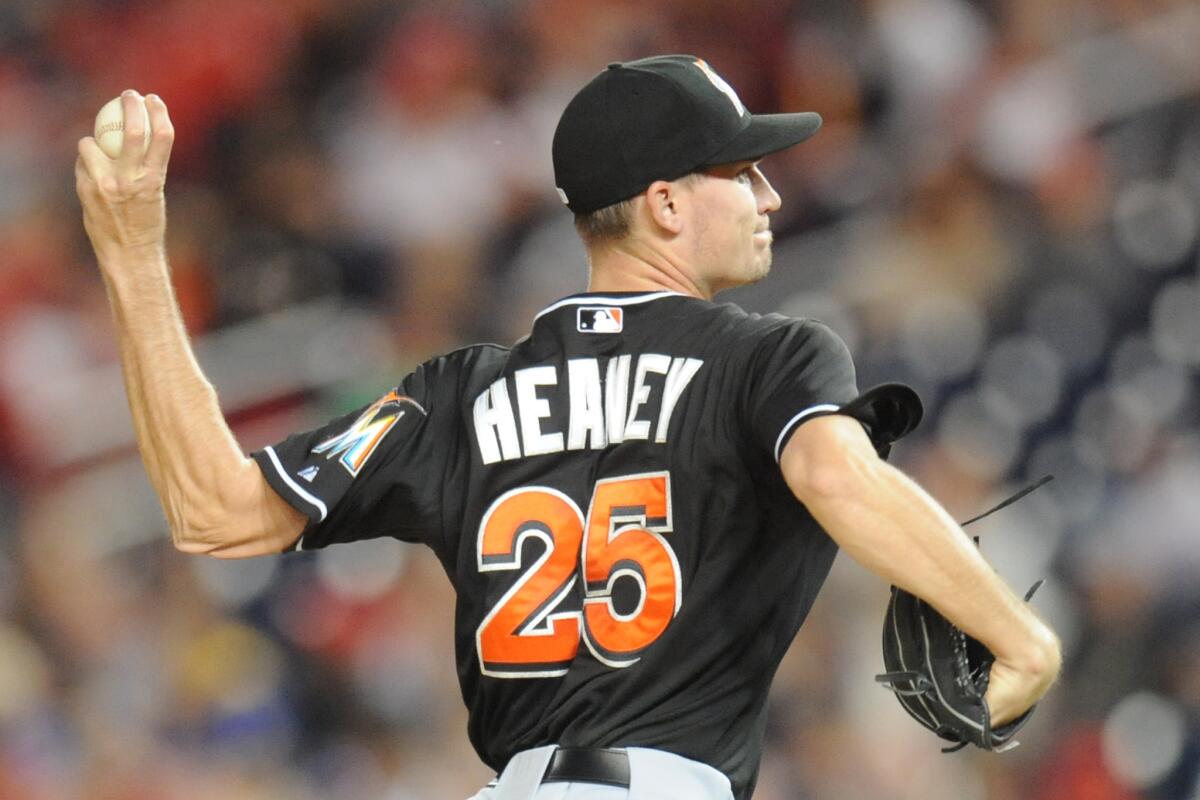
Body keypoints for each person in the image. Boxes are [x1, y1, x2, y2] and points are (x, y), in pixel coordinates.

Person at [74, 55, 1061, 800]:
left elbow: (214, 510)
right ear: (668, 202)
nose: (769, 194)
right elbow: (836, 475)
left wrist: (133, 258)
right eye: (742, 171)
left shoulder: (453, 394)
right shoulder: (769, 357)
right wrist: (1018, 636)